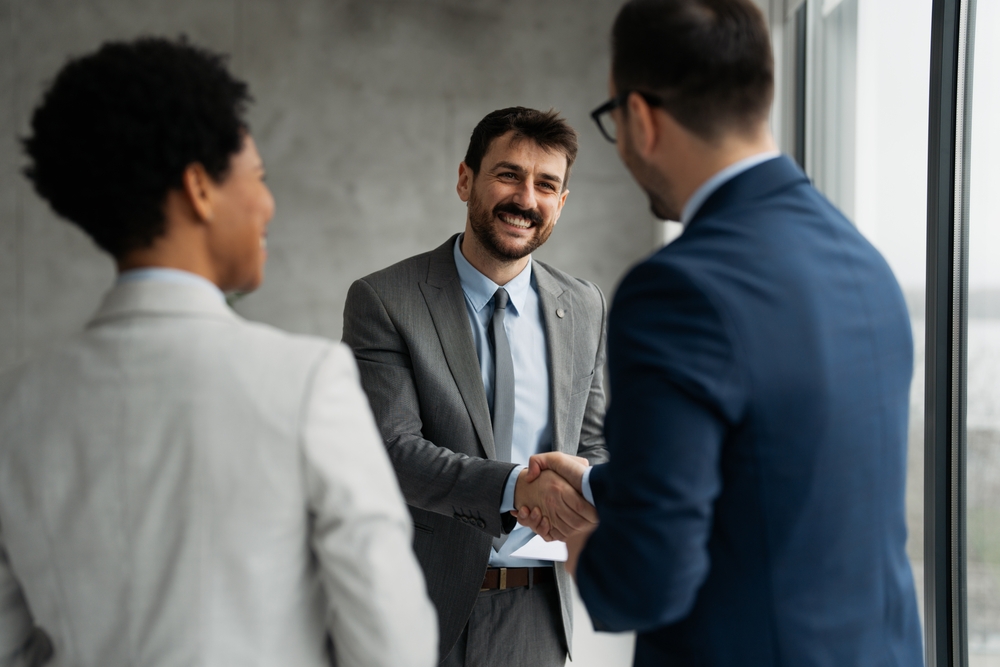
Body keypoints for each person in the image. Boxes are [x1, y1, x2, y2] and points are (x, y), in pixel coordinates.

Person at [0, 37, 436, 667]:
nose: (267, 203)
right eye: (256, 176)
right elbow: (393, 645)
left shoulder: (14, 409)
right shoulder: (306, 382)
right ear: (199, 189)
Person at [519, 1, 925, 664]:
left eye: (613, 119)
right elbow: (768, 474)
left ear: (641, 119)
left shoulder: (677, 289)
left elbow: (641, 585)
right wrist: (592, 484)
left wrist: (567, 531)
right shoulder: (863, 260)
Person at [342, 107, 608, 667]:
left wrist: (587, 493)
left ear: (561, 203)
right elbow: (391, 452)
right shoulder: (385, 300)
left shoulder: (584, 306)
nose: (525, 199)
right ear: (466, 179)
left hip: (536, 615)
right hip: (418, 611)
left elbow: (594, 445)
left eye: (546, 185)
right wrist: (518, 489)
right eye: (508, 174)